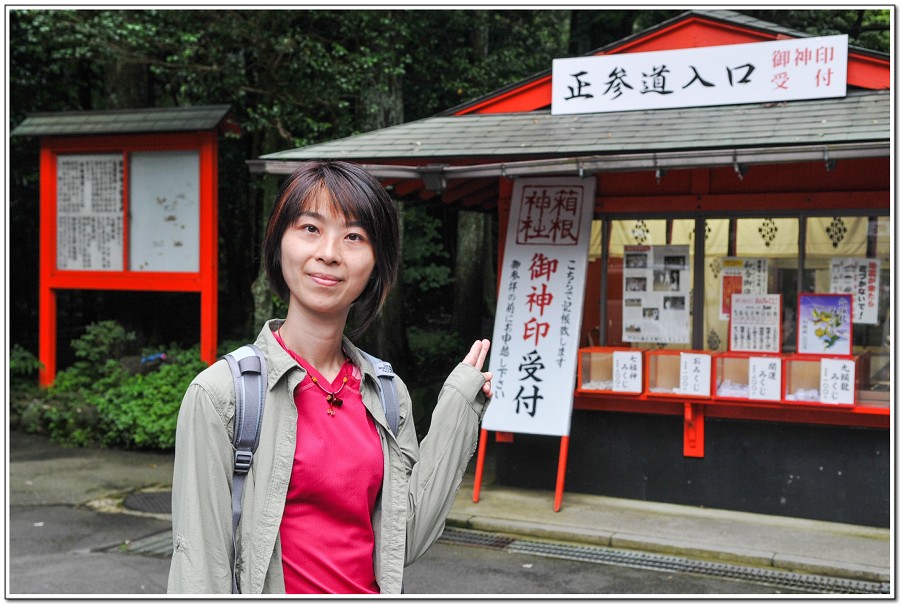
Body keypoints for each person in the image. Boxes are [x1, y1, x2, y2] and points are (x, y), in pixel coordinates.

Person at [167, 160, 493, 594]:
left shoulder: (387, 394)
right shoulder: (223, 395)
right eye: (310, 228)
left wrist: (459, 408)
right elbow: (198, 568)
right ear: (278, 243)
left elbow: (403, 538)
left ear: (376, 263)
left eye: (354, 236)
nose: (329, 252)